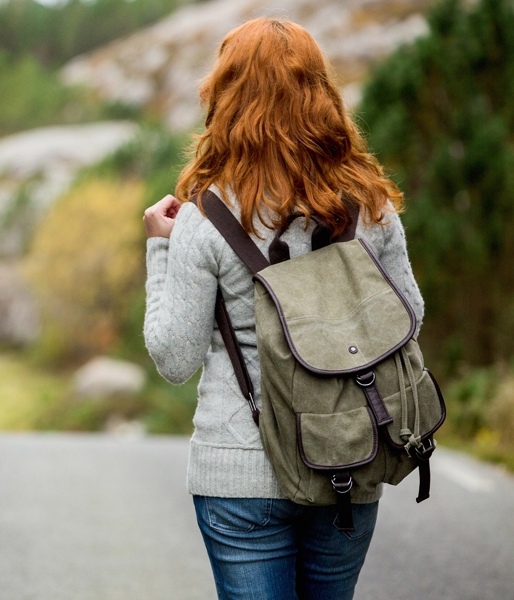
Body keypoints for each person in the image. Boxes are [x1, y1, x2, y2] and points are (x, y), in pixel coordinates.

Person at [141, 18, 425, 600]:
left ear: (224, 99)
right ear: (322, 96)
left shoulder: (204, 220)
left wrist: (158, 248)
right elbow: (410, 320)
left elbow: (174, 358)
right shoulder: (370, 208)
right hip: (349, 459)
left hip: (239, 474)